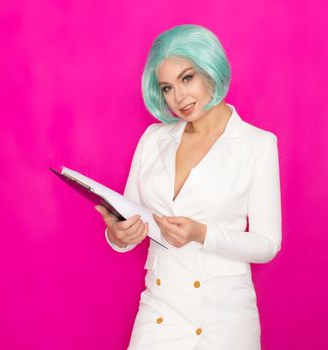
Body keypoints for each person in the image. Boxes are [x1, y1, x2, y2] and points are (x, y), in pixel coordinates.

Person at [95, 24, 282, 350]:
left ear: (211, 69)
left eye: (187, 78)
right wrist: (118, 235)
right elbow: (130, 219)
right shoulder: (153, 140)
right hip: (160, 310)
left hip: (225, 318)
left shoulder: (257, 144)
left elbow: (267, 244)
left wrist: (201, 234)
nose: (178, 98)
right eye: (167, 87)